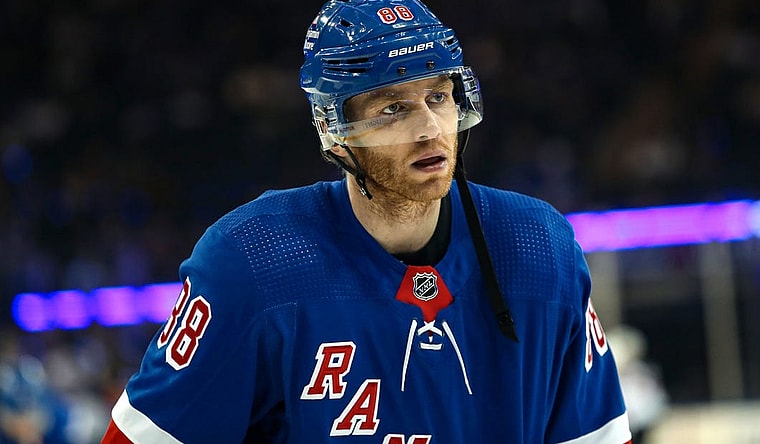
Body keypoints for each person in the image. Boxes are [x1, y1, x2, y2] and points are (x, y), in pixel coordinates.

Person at [102, 0, 632, 442]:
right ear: (335, 133)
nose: (429, 128)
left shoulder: (541, 247)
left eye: (438, 97)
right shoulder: (251, 260)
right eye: (391, 109)